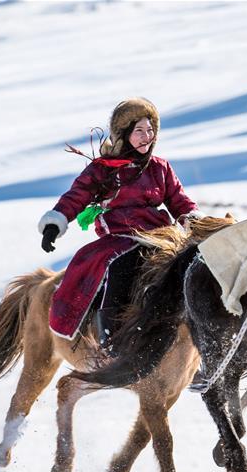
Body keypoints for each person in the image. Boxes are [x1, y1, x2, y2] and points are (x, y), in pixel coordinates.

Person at [37, 98, 202, 346]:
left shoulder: (160, 168)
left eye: (151, 130)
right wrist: (55, 222)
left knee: (191, 268)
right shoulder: (103, 170)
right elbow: (77, 196)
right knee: (121, 267)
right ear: (124, 134)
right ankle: (110, 337)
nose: (147, 137)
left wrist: (194, 222)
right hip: (120, 238)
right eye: (139, 131)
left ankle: (196, 338)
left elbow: (179, 201)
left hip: (161, 236)